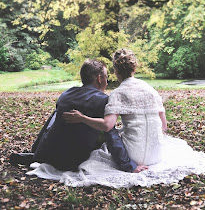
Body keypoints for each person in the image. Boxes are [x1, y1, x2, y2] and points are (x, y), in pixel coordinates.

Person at [47, 48, 205, 188]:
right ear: (134, 69)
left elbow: (107, 126)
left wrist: (82, 118)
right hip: (158, 153)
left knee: (103, 148)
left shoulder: (117, 93)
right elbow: (164, 127)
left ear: (116, 72)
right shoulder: (151, 90)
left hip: (134, 154)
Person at [10, 59, 147, 173]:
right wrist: (129, 166)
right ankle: (39, 156)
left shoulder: (66, 94)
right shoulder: (103, 100)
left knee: (56, 115)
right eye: (105, 77)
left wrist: (37, 150)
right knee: (108, 133)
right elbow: (111, 135)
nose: (107, 81)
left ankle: (37, 155)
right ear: (99, 79)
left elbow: (51, 125)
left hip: (50, 154)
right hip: (75, 160)